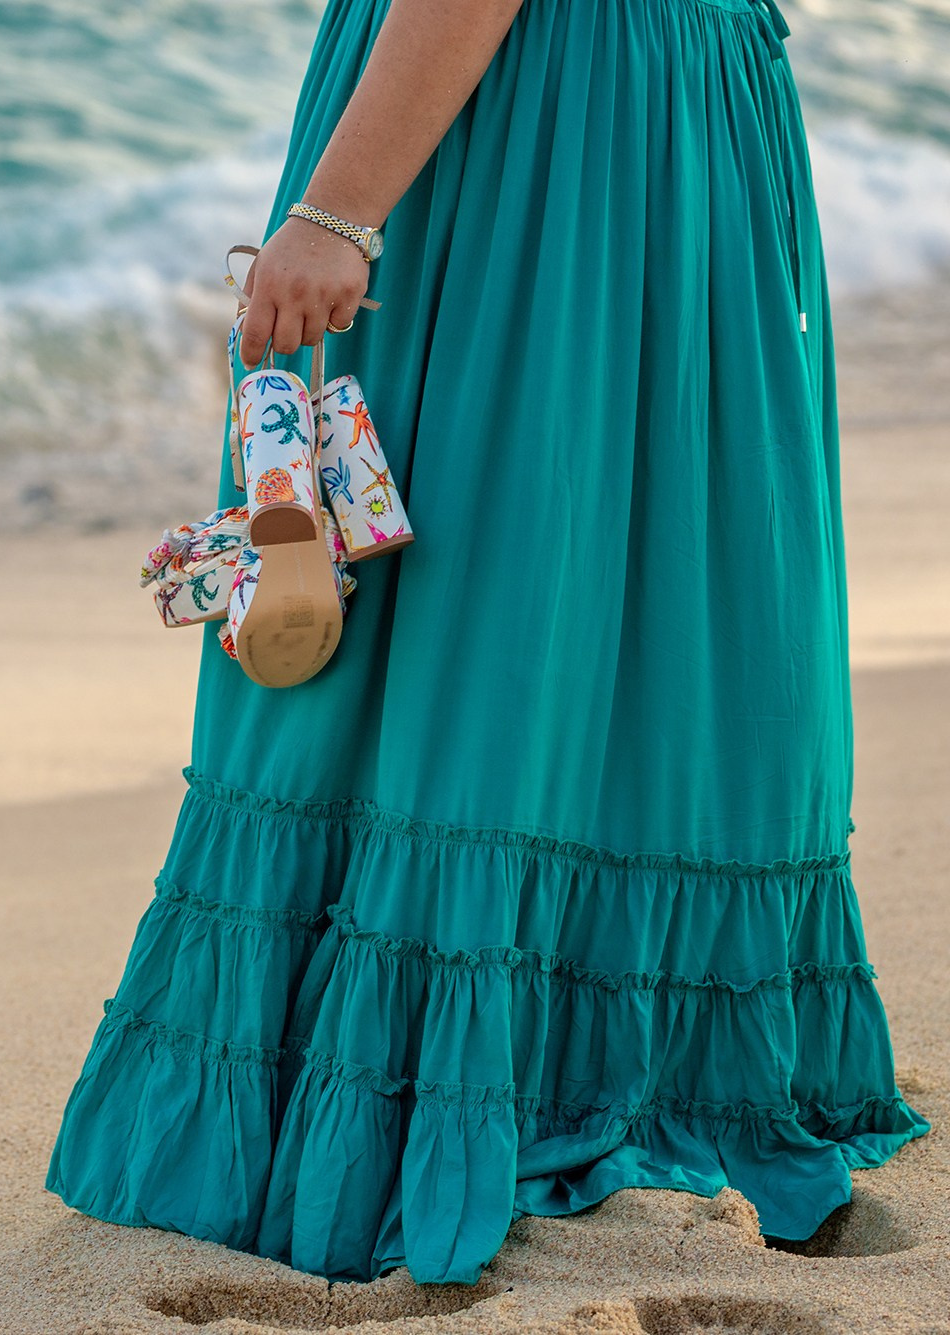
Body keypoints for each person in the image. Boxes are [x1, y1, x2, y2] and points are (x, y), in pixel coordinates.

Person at [45, 0, 928, 1286]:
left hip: (530, 121)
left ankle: (445, 1087)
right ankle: (662, 1058)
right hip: (665, 108)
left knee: (460, 565)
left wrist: (337, 209)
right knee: (627, 573)